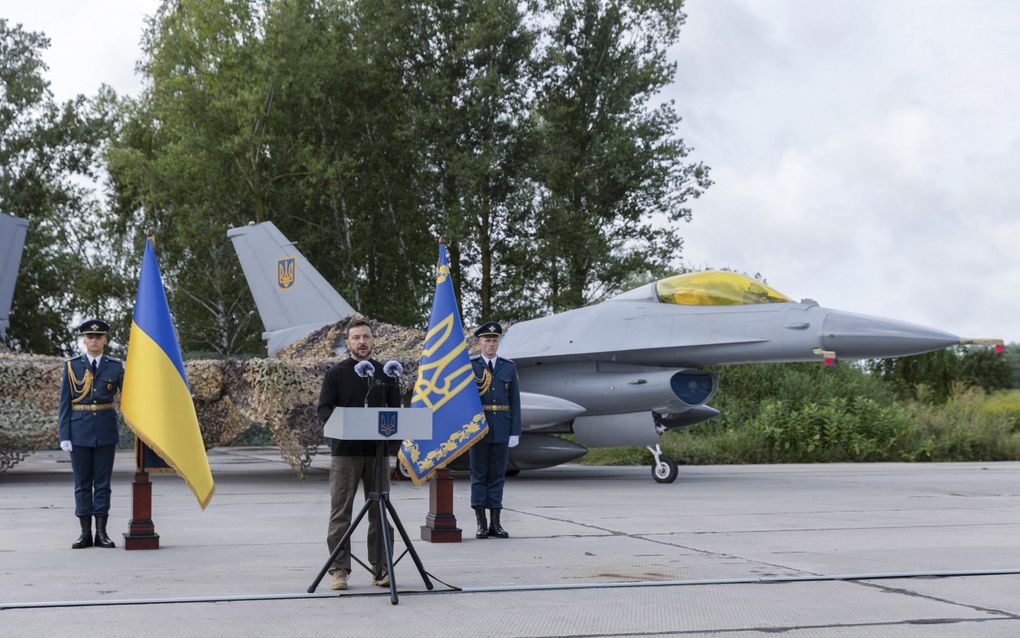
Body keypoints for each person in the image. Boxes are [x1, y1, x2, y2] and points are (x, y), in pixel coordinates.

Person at [316, 319, 401, 590]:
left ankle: (382, 569)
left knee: (379, 512)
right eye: (356, 338)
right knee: (341, 511)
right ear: (348, 343)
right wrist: (344, 425)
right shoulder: (336, 373)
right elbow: (324, 410)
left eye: (366, 337)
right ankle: (339, 569)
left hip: (377, 454)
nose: (362, 342)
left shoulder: (385, 373)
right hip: (345, 454)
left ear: (373, 340)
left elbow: (396, 412)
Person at [58, 319, 124, 549]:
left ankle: (102, 533)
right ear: (84, 340)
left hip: (105, 431)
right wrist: (64, 435)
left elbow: (128, 399)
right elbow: (65, 404)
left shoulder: (116, 367)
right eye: (89, 337)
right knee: (82, 483)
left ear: (105, 340)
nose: (94, 341)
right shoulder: (71, 366)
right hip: (79, 431)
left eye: (98, 337)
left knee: (103, 484)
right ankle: (85, 533)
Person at [469, 320, 522, 539]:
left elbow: (515, 401)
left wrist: (514, 431)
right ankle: (481, 523)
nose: (491, 344)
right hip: (479, 428)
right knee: (479, 475)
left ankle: (496, 524)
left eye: (494, 340)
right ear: (479, 343)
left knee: (497, 476)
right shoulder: (471, 366)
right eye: (487, 340)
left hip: (501, 427)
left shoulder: (508, 367)